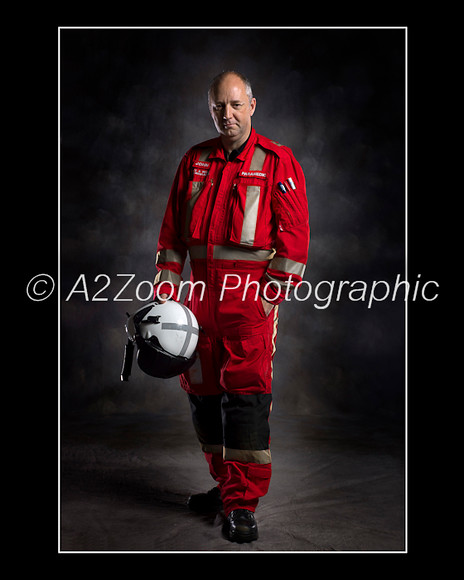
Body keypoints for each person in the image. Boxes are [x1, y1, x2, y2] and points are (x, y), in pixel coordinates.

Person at [153, 71, 310, 543]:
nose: (228, 115)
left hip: (247, 308)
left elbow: (294, 239)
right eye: (220, 106)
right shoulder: (194, 160)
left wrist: (268, 296)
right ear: (210, 109)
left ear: (253, 106)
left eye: (237, 105)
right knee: (202, 396)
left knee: (243, 401)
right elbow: (172, 236)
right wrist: (166, 295)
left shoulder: (277, 162)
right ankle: (225, 488)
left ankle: (242, 505)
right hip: (198, 305)